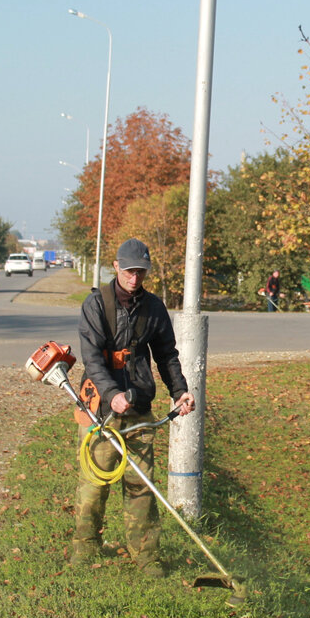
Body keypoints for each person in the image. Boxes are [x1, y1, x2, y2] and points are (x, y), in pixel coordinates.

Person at [72, 237, 196, 577]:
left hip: (139, 407)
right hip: (101, 409)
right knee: (95, 482)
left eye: (141, 271)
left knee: (141, 484)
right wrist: (112, 393)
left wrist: (180, 390)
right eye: (129, 271)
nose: (135, 277)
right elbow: (92, 359)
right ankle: (85, 546)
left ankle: (146, 555)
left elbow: (168, 356)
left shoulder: (154, 308)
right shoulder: (96, 305)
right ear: (116, 267)